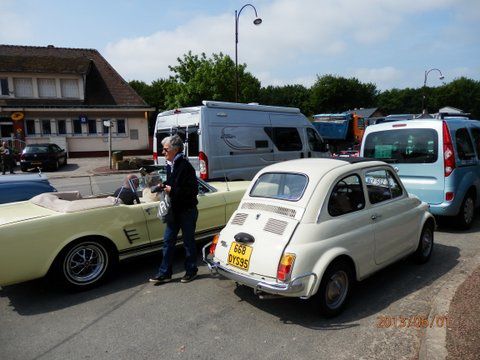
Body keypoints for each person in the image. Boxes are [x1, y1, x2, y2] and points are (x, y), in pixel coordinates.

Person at [149, 134, 199, 284]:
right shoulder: (171, 164)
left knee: (188, 242)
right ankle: (165, 273)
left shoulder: (185, 166)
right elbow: (172, 183)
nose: (163, 152)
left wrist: (172, 190)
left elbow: (192, 191)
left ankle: (191, 271)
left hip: (187, 210)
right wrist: (163, 186)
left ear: (175, 149)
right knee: (167, 241)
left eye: (165, 149)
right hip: (175, 211)